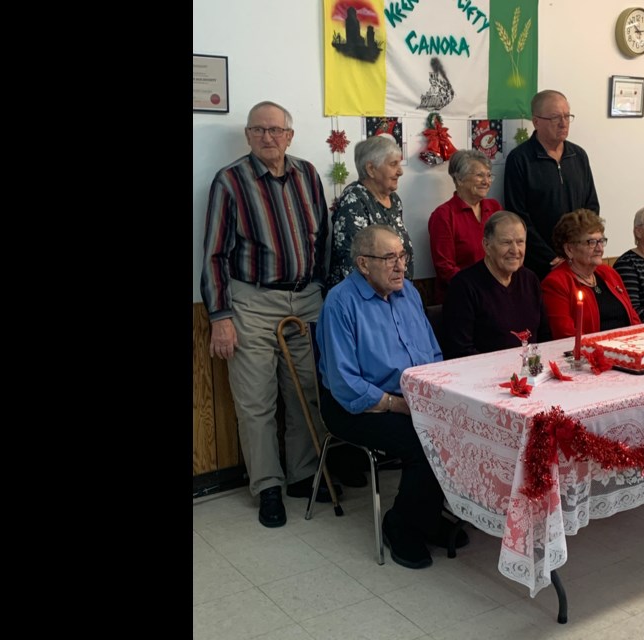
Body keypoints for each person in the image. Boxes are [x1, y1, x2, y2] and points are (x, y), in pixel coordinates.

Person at [200, 101, 334, 528]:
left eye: (276, 130)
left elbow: (324, 240)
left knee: (307, 393)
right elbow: (215, 255)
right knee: (256, 402)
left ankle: (303, 475)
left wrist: (324, 293)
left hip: (306, 299)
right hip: (252, 304)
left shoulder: (308, 174)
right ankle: (268, 486)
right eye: (258, 130)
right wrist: (220, 316)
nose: (268, 138)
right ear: (248, 135)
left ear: (290, 136)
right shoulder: (230, 181)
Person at [316, 224, 469, 569]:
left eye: (402, 255)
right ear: (362, 264)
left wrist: (436, 395)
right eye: (389, 258)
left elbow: (432, 354)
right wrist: (398, 405)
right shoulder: (340, 302)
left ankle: (427, 515)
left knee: (461, 427)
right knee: (422, 442)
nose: (401, 265)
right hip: (358, 405)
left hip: (411, 396)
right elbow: (344, 383)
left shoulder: (409, 293)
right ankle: (400, 524)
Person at [503, 89, 600, 280]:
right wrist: (550, 257)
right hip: (539, 265)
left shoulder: (578, 155)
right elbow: (518, 215)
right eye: (555, 117)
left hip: (579, 259)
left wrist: (582, 248)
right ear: (536, 121)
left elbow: (592, 207)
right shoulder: (520, 159)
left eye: (567, 116)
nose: (563, 123)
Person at [442, 211, 551, 359]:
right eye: (506, 242)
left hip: (531, 373)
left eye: (520, 242)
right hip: (483, 376)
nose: (515, 250)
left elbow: (545, 338)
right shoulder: (463, 286)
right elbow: (460, 351)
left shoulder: (530, 280)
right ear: (486, 245)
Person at [327, 135, 414, 289]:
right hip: (364, 300)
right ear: (371, 169)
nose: (400, 171)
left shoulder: (394, 200)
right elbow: (352, 264)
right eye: (393, 164)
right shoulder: (354, 201)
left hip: (395, 293)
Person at [541, 209, 641, 339]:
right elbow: (565, 334)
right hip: (591, 354)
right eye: (591, 242)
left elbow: (633, 318)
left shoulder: (609, 273)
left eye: (601, 241)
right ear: (569, 249)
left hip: (628, 348)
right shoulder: (556, 283)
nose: (600, 248)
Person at [427, 149, 502, 304]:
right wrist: (479, 289)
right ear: (459, 179)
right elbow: (445, 268)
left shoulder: (494, 208)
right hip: (463, 298)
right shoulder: (443, 215)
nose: (486, 181)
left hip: (497, 292)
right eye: (479, 175)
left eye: (489, 175)